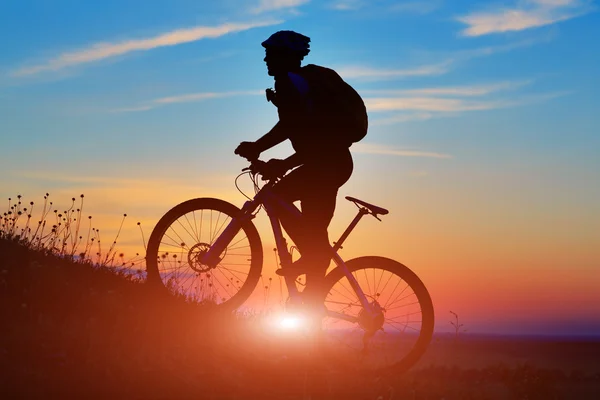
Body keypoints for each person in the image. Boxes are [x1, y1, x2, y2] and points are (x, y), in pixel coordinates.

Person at [234, 30, 357, 307]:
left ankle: (312, 265)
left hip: (326, 164)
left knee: (278, 201)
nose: (265, 58)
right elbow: (297, 129)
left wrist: (271, 155)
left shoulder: (293, 84)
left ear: (286, 57)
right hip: (329, 163)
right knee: (315, 231)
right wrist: (266, 152)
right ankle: (312, 303)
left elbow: (295, 129)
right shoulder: (295, 84)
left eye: (271, 53)